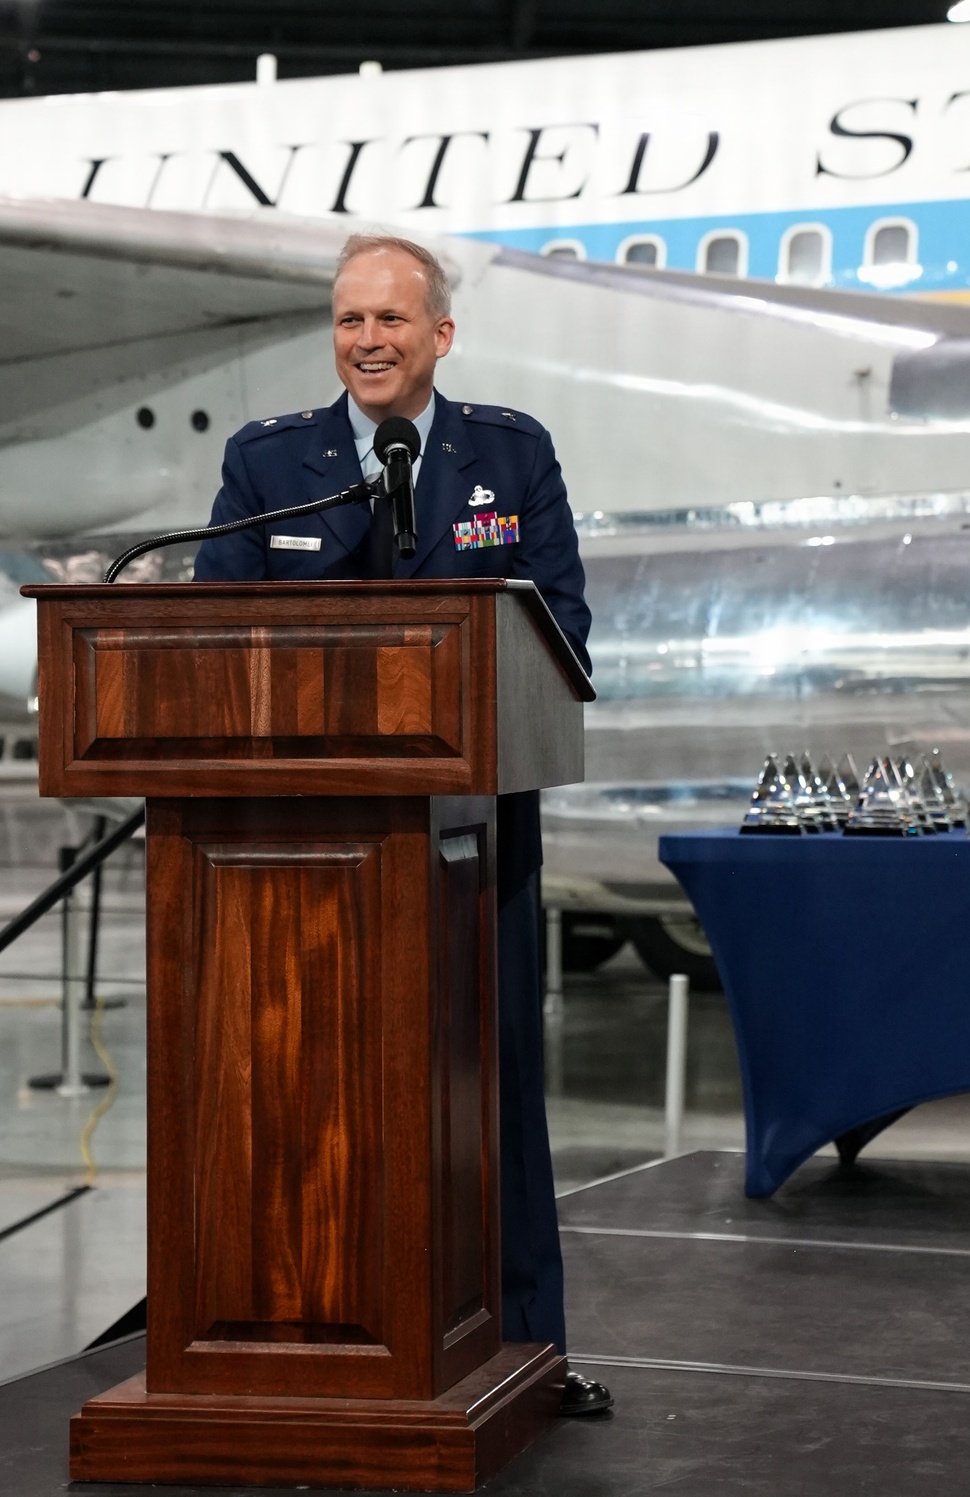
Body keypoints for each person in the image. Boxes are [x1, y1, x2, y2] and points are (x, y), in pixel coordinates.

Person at [194, 233, 611, 1416]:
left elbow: (564, 634)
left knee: (494, 1090)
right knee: (303, 1094)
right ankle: (299, 1350)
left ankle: (530, 1351)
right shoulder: (273, 462)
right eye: (347, 321)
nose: (367, 340)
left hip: (476, 838)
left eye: (389, 320)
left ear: (440, 335)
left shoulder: (509, 453)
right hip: (302, 850)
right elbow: (216, 636)